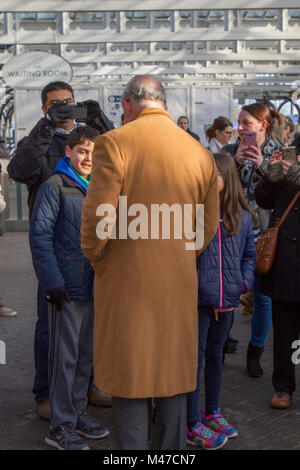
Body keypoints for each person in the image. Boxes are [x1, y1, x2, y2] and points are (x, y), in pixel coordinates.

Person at [81, 75, 220, 450]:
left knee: (131, 377)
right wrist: (178, 253)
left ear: (127, 105)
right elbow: (207, 225)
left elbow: (99, 218)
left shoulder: (114, 143)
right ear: (163, 103)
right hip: (177, 283)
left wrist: (97, 257)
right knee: (173, 377)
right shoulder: (198, 152)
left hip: (127, 283)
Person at [7, 81, 114, 419]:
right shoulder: (39, 141)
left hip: (92, 252)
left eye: (69, 102)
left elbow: (117, 160)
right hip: (56, 251)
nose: (65, 108)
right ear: (44, 108)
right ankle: (47, 392)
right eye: (56, 104)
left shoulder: (88, 141)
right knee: (49, 329)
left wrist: (103, 122)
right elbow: (20, 170)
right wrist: (48, 125)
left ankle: (85, 387)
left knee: (88, 331)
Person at [29, 126, 110, 450]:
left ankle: (76, 413)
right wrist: (52, 283)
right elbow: (40, 237)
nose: (88, 158)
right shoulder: (56, 187)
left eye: (93, 152)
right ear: (68, 152)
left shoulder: (99, 188)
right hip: (66, 288)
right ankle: (59, 425)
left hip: (94, 287)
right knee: (63, 359)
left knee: (84, 357)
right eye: (82, 151)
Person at [186, 151, 257, 450]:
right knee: (194, 363)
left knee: (215, 360)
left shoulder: (241, 216)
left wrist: (243, 283)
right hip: (198, 302)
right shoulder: (194, 214)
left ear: (226, 177)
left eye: (211, 172)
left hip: (226, 301)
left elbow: (250, 256)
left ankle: (211, 412)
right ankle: (191, 423)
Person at [224, 102, 282, 378]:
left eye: (246, 123)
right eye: (239, 122)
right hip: (235, 232)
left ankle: (255, 352)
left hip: (267, 236)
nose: (241, 128)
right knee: (229, 292)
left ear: (263, 124)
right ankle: (221, 343)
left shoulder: (282, 154)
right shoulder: (231, 152)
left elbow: (281, 195)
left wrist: (261, 166)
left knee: (263, 297)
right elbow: (220, 187)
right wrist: (234, 163)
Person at [254, 151, 300, 409]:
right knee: (284, 333)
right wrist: (270, 178)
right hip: (285, 264)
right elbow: (262, 200)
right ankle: (283, 388)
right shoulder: (286, 167)